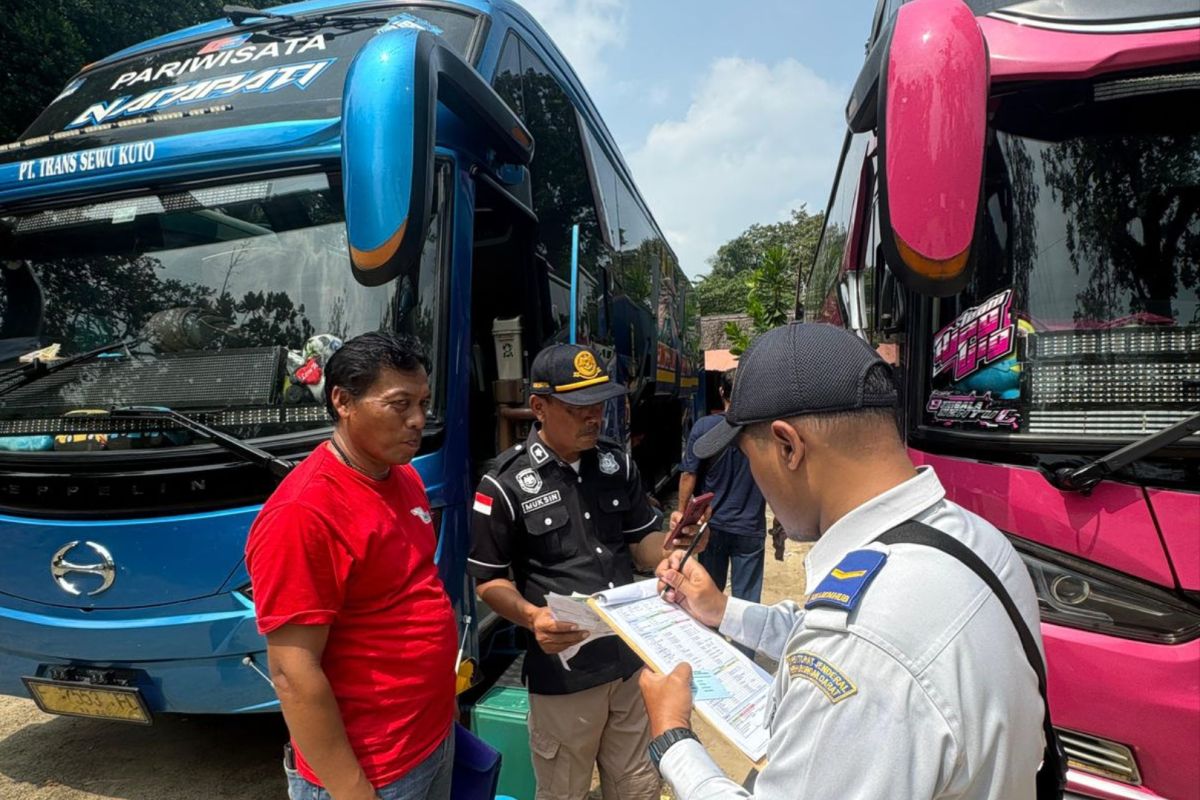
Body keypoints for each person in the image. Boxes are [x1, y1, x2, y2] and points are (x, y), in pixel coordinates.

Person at [640, 323, 1048, 799]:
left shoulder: (861, 652)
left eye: (750, 456)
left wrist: (673, 737)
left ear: (789, 446)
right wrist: (722, 610)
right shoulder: (976, 539)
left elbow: (864, 644)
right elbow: (840, 629)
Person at [468, 343, 694, 800]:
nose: (593, 416)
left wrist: (673, 550)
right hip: (564, 679)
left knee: (637, 787)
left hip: (630, 662)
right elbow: (490, 581)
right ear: (539, 408)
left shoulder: (615, 463)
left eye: (598, 404)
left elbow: (641, 543)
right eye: (577, 407)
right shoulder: (504, 484)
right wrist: (533, 618)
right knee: (564, 792)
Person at [246, 332, 457, 800]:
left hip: (429, 739)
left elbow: (413, 592)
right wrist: (351, 790)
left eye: (422, 402)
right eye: (399, 404)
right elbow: (291, 672)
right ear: (342, 401)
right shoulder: (304, 514)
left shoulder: (401, 476)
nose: (418, 420)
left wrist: (444, 710)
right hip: (374, 771)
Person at [679, 367, 767, 603]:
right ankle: (743, 641)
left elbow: (689, 474)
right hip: (751, 527)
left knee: (708, 595)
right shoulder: (762, 429)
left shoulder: (704, 427)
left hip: (712, 526)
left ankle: (711, 638)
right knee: (747, 602)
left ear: (721, 391)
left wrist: (681, 512)